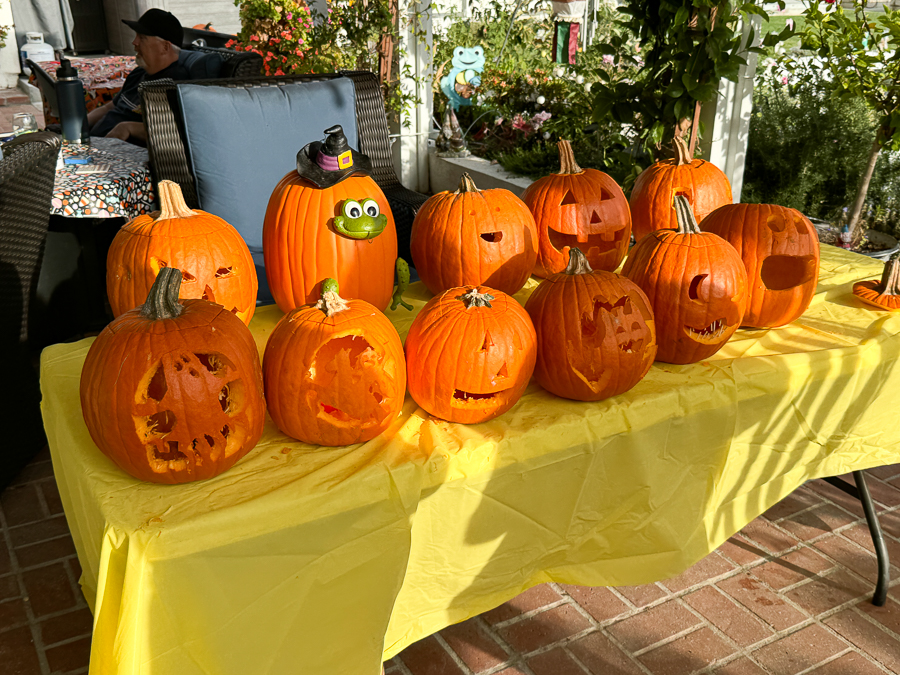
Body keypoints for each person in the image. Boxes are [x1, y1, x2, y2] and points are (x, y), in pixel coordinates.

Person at [89, 8, 220, 143]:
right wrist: (79, 125)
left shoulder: (175, 84)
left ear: (165, 47)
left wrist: (128, 128)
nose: (135, 42)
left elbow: (179, 131)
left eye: (142, 38)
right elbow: (109, 107)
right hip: (96, 145)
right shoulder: (139, 73)